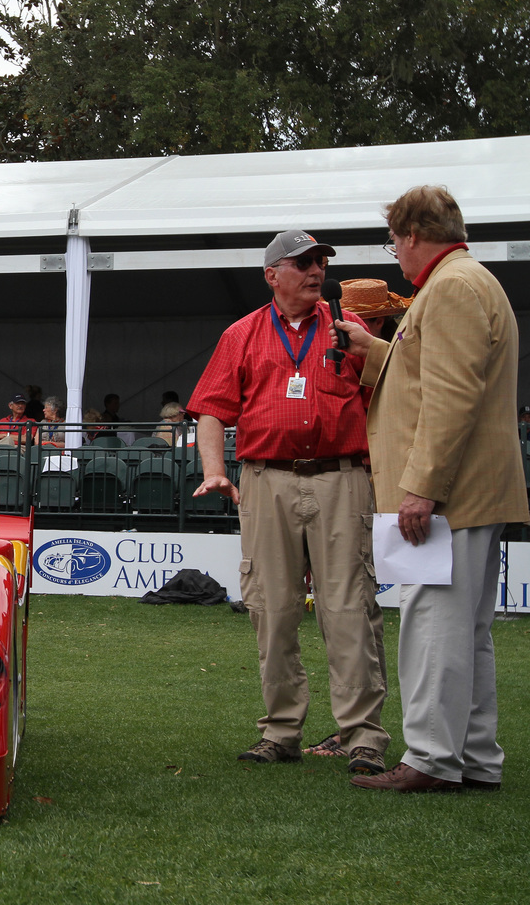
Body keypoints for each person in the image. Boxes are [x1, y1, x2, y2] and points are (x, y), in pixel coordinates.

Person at [338, 186, 529, 794]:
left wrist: (420, 489)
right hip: (469, 492)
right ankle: (472, 759)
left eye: (393, 239)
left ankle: (429, 760)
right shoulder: (465, 282)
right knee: (464, 632)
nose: (393, 252)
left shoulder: (450, 288)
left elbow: (450, 398)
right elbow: (435, 377)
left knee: (434, 625)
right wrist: (375, 353)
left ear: (414, 235)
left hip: (449, 495)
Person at [186, 229, 389, 775]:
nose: (315, 270)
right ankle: (280, 731)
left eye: (319, 262)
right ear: (271, 274)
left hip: (341, 478)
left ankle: (364, 735)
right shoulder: (242, 334)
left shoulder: (352, 330)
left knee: (348, 607)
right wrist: (213, 471)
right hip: (265, 479)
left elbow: (388, 400)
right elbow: (211, 411)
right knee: (271, 609)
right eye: (301, 263)